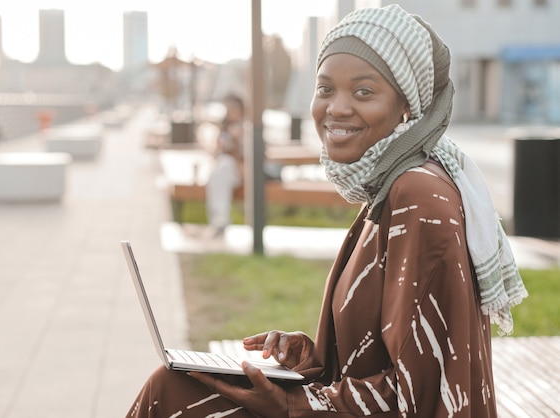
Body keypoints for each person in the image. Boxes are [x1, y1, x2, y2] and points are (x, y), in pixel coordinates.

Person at [125, 5, 528, 417]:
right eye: (325, 89)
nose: (336, 108)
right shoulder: (391, 183)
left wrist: (295, 402)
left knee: (170, 393)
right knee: (172, 383)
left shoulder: (418, 194)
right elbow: (389, 351)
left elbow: (426, 389)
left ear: (407, 105)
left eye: (364, 92)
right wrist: (313, 357)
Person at [205, 94, 245, 238]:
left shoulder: (245, 128)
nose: (230, 111)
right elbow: (215, 152)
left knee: (223, 168)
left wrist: (235, 143)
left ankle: (220, 222)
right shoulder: (224, 129)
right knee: (215, 175)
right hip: (224, 169)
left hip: (238, 171)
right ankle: (218, 221)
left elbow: (245, 156)